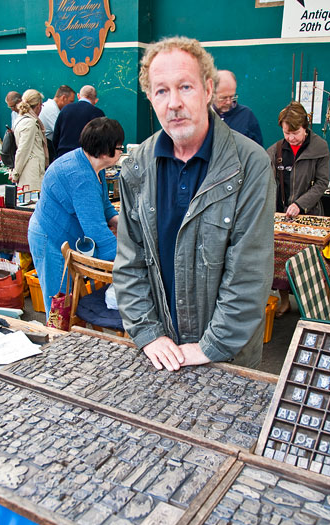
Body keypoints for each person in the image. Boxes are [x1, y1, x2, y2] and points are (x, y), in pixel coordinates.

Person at [113, 36, 275, 372]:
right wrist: (148, 333)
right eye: (161, 91)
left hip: (227, 358)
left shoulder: (249, 165)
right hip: (161, 353)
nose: (173, 103)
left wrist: (211, 345)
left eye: (185, 87)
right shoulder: (137, 167)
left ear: (208, 89)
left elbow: (249, 272)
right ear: (150, 98)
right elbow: (130, 263)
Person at [28, 117, 123, 316]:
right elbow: (95, 230)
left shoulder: (93, 167)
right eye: (120, 147)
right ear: (107, 150)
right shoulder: (81, 177)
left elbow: (104, 207)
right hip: (50, 239)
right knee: (59, 304)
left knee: (69, 301)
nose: (121, 151)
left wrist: (125, 225)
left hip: (62, 236)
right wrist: (125, 261)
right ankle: (58, 343)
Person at [267, 101, 330, 318]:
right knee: (278, 261)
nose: (291, 138)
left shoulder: (320, 147)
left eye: (295, 133)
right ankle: (284, 301)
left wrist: (301, 204)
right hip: (281, 213)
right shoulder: (275, 151)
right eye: (287, 133)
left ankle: (310, 305)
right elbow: (266, 181)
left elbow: (322, 183)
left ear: (305, 127)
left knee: (309, 263)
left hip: (310, 214)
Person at [9, 89, 48, 191]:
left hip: (30, 171)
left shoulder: (20, 119)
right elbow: (23, 150)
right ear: (39, 105)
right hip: (32, 173)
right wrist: (16, 173)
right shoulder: (30, 123)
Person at [212, 70, 263, 146]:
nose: (229, 102)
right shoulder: (203, 115)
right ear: (211, 93)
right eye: (223, 98)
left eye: (232, 96)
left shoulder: (247, 116)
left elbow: (257, 151)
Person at [53, 85, 105, 157]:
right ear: (95, 100)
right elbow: (101, 139)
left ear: (78, 96)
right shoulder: (97, 113)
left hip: (63, 154)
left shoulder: (65, 109)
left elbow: (56, 136)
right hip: (86, 156)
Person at [39, 85, 76, 162]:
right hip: (45, 149)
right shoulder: (52, 110)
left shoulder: (52, 107)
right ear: (63, 98)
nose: (71, 104)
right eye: (71, 101)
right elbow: (63, 133)